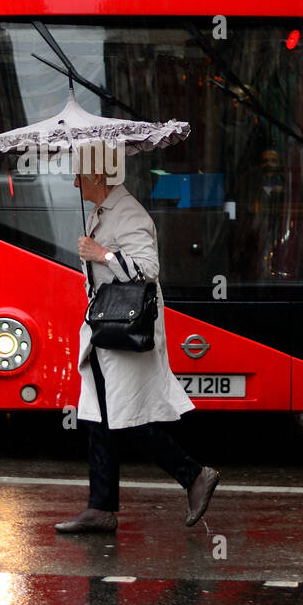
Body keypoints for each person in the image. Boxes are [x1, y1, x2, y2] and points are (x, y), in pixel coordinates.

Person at [55, 163, 219, 534]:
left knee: (126, 417)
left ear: (99, 176)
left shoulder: (129, 214)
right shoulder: (101, 211)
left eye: (80, 174)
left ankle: (194, 475)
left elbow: (148, 271)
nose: (75, 180)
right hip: (106, 330)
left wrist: (102, 254)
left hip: (128, 331)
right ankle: (100, 507)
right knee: (100, 416)